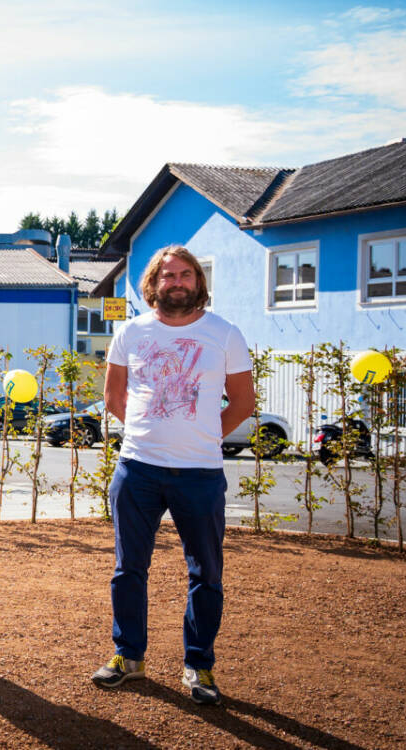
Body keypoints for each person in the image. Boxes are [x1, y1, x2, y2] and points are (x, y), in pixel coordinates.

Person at [91, 245, 253, 706]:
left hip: (200, 474)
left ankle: (199, 665)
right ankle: (129, 657)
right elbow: (114, 397)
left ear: (198, 282)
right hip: (137, 469)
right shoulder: (130, 332)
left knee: (205, 572)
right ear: (154, 284)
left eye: (185, 274)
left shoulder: (224, 333)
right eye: (168, 276)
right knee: (128, 569)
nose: (176, 282)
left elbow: (242, 402)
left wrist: (203, 437)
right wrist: (148, 435)